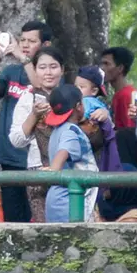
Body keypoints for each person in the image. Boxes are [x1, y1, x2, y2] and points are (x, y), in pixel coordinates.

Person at [0, 21, 53, 223]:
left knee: (39, 217)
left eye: (32, 41)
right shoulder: (12, 72)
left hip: (36, 159)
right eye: (22, 40)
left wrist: (24, 59)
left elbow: (41, 89)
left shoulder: (50, 74)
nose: (24, 44)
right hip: (7, 154)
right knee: (13, 219)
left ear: (45, 45)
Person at [9, 46, 69, 222]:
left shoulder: (71, 96)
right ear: (34, 71)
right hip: (37, 170)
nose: (48, 72)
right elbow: (16, 140)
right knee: (44, 226)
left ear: (62, 69)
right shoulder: (27, 99)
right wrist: (34, 116)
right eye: (42, 68)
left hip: (69, 168)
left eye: (53, 66)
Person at [43, 84, 100, 223]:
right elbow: (64, 150)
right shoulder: (71, 131)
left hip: (55, 199)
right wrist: (54, 169)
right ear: (79, 106)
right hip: (70, 201)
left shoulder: (57, 131)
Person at [100, 47, 136, 130]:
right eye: (102, 64)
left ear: (120, 68)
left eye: (106, 64)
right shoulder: (120, 94)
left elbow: (130, 131)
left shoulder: (126, 96)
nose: (102, 68)